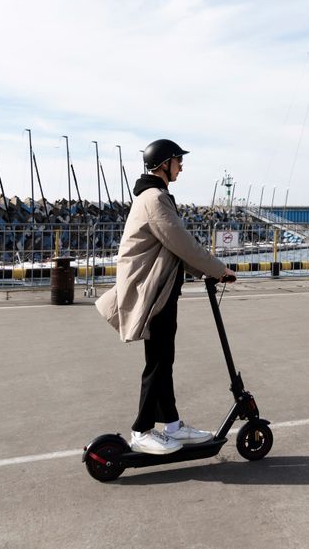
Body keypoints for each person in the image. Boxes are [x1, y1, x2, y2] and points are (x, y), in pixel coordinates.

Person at [96, 139, 237, 455]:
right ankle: (142, 430)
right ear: (163, 165)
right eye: (177, 161)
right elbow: (183, 243)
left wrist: (206, 271)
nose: (181, 167)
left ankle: (172, 425)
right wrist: (218, 268)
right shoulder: (154, 199)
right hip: (151, 292)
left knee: (164, 359)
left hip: (160, 290)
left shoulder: (157, 197)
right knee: (158, 362)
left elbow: (176, 248)